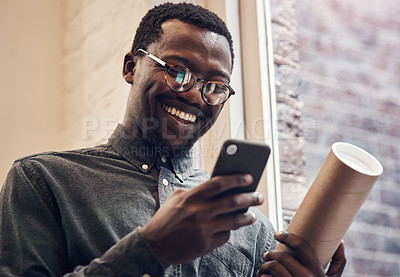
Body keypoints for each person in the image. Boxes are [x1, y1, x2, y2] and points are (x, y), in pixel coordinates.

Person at [0, 3, 346, 277]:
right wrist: (150, 249)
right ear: (131, 67)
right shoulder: (42, 180)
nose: (195, 96)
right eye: (178, 71)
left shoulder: (253, 229)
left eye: (214, 87)